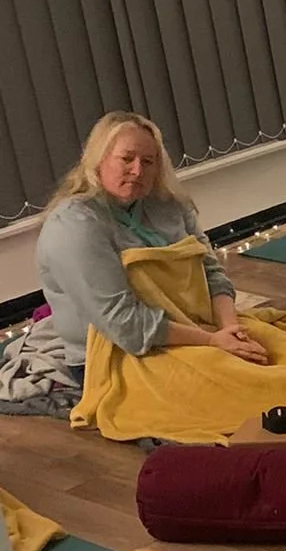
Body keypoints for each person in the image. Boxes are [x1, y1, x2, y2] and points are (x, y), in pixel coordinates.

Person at [36, 112, 269, 372]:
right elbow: (124, 325)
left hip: (197, 331)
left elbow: (211, 273)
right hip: (115, 355)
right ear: (98, 159)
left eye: (148, 162)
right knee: (248, 382)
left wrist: (231, 329)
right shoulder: (73, 224)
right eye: (127, 158)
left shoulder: (168, 204)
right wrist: (213, 341)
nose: (137, 171)